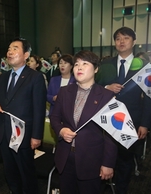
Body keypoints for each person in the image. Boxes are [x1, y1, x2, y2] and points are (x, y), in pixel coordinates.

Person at [95, 27, 151, 194]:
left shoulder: (143, 66)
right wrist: (107, 87)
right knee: (104, 156)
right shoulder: (105, 64)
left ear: (134, 42)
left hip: (131, 119)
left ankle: (121, 189)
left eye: (126, 38)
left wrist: (144, 123)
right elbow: (93, 87)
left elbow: (149, 97)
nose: (121, 41)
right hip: (106, 119)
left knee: (125, 158)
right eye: (118, 38)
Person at [50, 50, 117, 194]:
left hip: (91, 159)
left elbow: (112, 133)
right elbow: (54, 117)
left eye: (85, 64)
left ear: (96, 69)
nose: (79, 67)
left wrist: (108, 163)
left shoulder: (107, 96)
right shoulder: (64, 91)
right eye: (76, 64)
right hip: (66, 157)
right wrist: (61, 130)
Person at [0, 37, 47, 194]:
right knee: (10, 173)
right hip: (4, 133)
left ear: (26, 55)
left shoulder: (35, 77)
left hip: (23, 135)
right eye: (9, 48)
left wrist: (36, 136)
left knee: (26, 173)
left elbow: (39, 109)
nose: (10, 51)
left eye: (15, 48)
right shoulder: (3, 77)